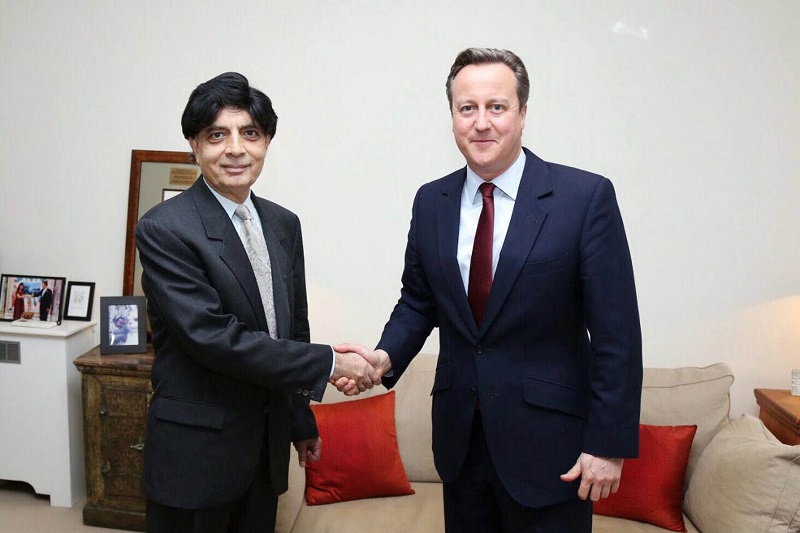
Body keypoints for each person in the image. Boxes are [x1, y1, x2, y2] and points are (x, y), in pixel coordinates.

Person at [336, 48, 642, 533]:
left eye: (496, 107)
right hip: (462, 444)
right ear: (453, 117)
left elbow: (616, 334)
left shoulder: (584, 198)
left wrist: (608, 444)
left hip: (552, 449)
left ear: (522, 113)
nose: (482, 123)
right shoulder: (431, 201)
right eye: (467, 108)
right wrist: (384, 357)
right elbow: (419, 301)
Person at [135, 72, 379, 533]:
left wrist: (300, 420)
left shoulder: (284, 224)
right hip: (197, 457)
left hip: (263, 454)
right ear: (194, 144)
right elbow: (213, 338)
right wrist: (331, 363)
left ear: (266, 140)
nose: (235, 149)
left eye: (250, 133)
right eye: (216, 135)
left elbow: (292, 329)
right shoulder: (165, 229)